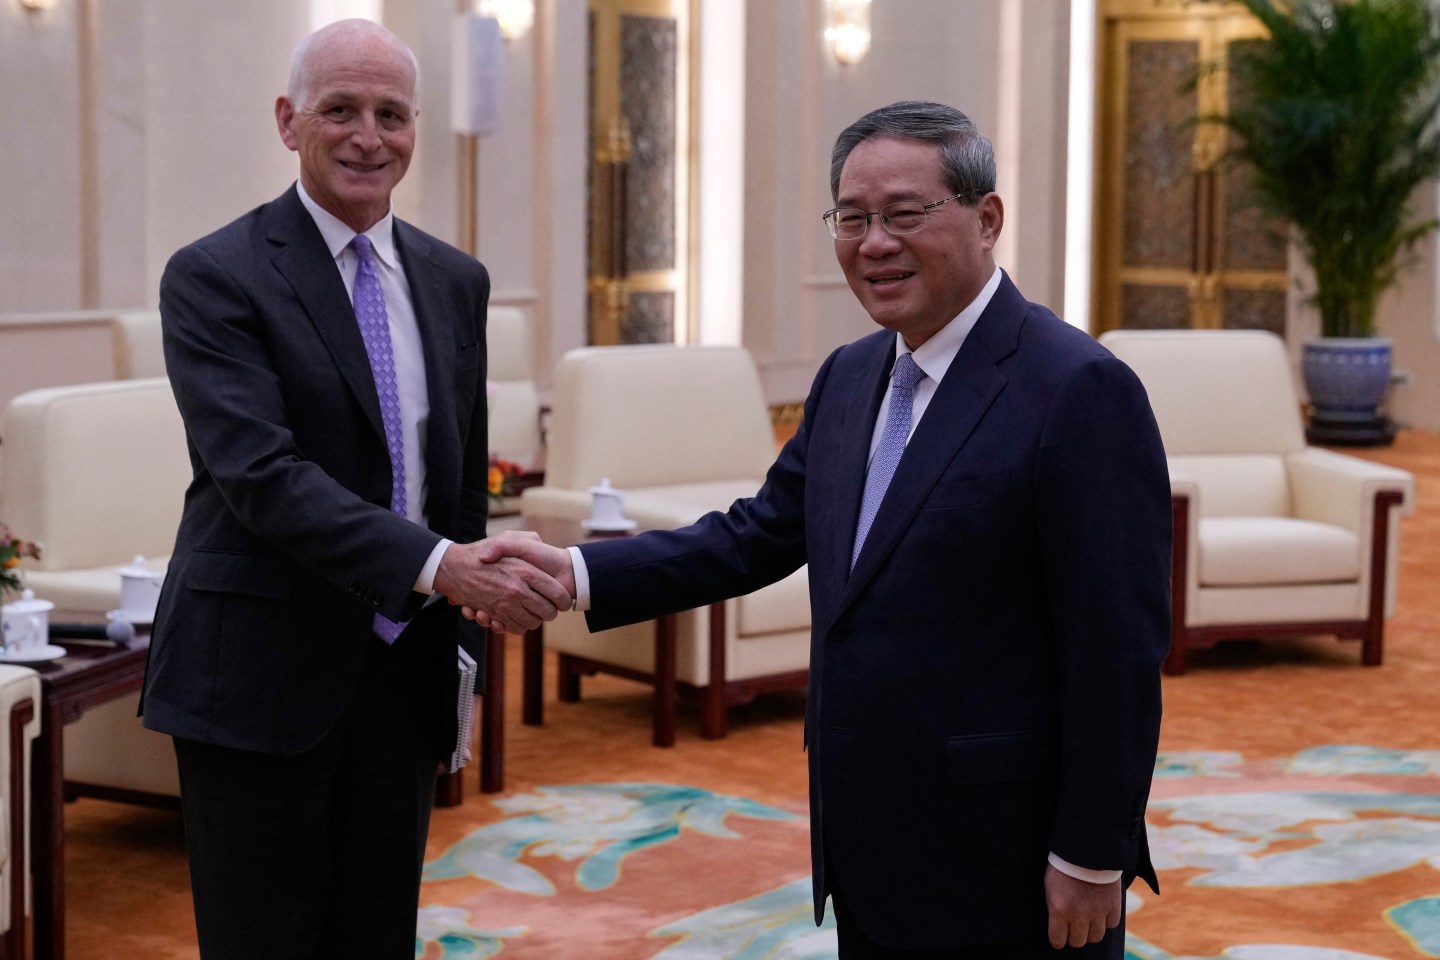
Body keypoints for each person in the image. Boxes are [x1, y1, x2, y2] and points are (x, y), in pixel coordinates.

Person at [479, 101, 1170, 957]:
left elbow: (1118, 650)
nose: (874, 242)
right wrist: (575, 574)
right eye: (852, 218)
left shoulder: (1077, 388)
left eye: (905, 214)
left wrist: (1093, 852)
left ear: (987, 218)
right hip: (867, 836)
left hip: (1008, 851)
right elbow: (756, 533)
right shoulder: (851, 377)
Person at [140, 19, 569, 960]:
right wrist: (446, 567)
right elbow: (265, 479)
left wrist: (460, 628)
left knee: (376, 939)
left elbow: (457, 479)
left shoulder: (457, 281)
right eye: (340, 110)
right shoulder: (216, 276)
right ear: (289, 121)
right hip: (255, 674)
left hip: (400, 677)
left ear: (415, 129)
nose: (368, 136)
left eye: (391, 113)